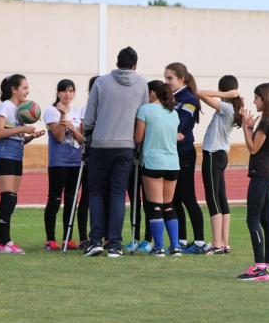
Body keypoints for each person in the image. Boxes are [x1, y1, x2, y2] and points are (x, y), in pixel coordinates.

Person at [83, 47, 149, 258]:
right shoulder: (141, 84)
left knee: (96, 192)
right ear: (135, 65)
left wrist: (89, 132)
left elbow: (89, 117)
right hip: (126, 145)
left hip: (100, 144)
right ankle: (115, 244)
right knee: (118, 194)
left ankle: (96, 241)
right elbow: (143, 115)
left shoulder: (101, 83)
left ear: (117, 62)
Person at [0, 74, 45, 254]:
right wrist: (23, 128)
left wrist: (30, 136)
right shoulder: (6, 106)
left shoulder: (20, 110)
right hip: (4, 155)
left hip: (16, 155)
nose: (27, 91)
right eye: (24, 87)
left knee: (12, 198)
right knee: (7, 197)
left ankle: (5, 241)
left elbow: (18, 138)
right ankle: (3, 242)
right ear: (14, 89)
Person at [237, 83, 269, 281]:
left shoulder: (267, 121)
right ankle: (268, 267)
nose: (254, 101)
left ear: (265, 98)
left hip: (261, 175)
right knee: (266, 219)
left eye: (256, 98)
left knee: (252, 219)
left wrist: (246, 128)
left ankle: (260, 267)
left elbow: (253, 148)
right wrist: (251, 127)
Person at [134, 80, 182, 256]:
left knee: (155, 205)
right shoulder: (173, 112)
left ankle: (159, 247)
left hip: (153, 161)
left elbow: (138, 138)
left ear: (152, 92)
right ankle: (175, 246)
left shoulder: (145, 110)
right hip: (172, 163)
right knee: (168, 204)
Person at [197, 76, 242, 254]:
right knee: (221, 197)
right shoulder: (235, 107)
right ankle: (224, 242)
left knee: (212, 197)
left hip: (213, 153)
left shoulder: (227, 106)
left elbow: (199, 93)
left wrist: (224, 94)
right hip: (221, 154)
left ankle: (217, 243)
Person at [165, 62, 206, 254]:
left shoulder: (189, 99)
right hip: (172, 151)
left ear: (181, 79)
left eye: (170, 78)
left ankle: (199, 242)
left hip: (184, 152)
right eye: (165, 78)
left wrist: (172, 130)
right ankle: (180, 240)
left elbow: (181, 125)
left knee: (188, 196)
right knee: (174, 198)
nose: (167, 82)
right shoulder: (170, 99)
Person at [43, 79, 84, 251]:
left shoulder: (78, 111)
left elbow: (81, 140)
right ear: (58, 92)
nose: (68, 94)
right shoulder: (51, 111)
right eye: (64, 91)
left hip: (76, 162)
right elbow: (59, 137)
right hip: (58, 162)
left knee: (71, 201)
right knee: (54, 200)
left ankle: (68, 238)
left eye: (71, 91)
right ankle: (50, 239)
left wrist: (73, 129)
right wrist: (62, 117)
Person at [78, 76, 99, 251]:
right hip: (89, 155)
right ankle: (84, 236)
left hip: (103, 154)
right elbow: (82, 134)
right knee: (86, 197)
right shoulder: (85, 109)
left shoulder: (107, 106)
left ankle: (103, 235)